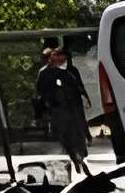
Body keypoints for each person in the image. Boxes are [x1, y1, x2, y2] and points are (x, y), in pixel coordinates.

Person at [34, 43, 90, 172]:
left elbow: (40, 92)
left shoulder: (60, 72)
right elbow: (41, 92)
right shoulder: (55, 72)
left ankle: (77, 156)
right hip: (62, 108)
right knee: (69, 134)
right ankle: (77, 156)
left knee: (68, 134)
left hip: (62, 108)